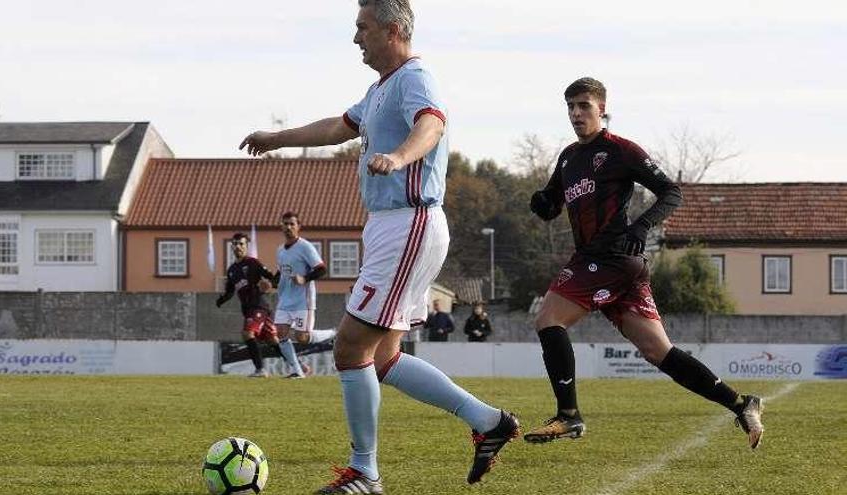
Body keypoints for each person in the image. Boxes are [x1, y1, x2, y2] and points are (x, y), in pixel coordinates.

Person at [239, 1, 518, 491]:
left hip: (408, 222)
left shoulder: (415, 77)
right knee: (383, 359)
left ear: (392, 30)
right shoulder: (379, 90)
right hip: (396, 225)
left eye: (362, 28)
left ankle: (364, 472)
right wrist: (278, 137)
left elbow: (432, 124)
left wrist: (399, 156)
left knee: (350, 347)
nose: (355, 39)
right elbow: (337, 127)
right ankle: (488, 421)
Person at [524, 77, 764, 449]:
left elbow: (672, 191)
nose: (575, 113)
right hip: (614, 266)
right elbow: (553, 203)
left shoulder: (620, 150)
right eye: (569, 106)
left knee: (548, 319)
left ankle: (569, 416)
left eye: (583, 105)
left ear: (602, 109)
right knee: (658, 352)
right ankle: (741, 404)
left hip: (610, 259)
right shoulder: (569, 157)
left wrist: (642, 225)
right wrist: (542, 204)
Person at [272, 211, 336, 378]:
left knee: (302, 337)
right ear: (281, 226)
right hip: (284, 300)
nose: (288, 227)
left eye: (292, 224)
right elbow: (281, 273)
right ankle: (297, 371)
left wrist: (305, 278)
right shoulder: (280, 250)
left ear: (298, 227)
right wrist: (271, 283)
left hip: (303, 301)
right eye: (285, 224)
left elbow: (322, 269)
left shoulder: (305, 247)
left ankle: (333, 333)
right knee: (281, 334)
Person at [216, 233, 280, 378]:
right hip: (249, 309)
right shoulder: (232, 270)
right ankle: (299, 366)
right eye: (235, 244)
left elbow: (272, 277)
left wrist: (271, 284)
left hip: (258, 306)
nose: (238, 247)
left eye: (241, 244)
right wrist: (222, 300)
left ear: (246, 246)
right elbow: (230, 291)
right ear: (232, 247)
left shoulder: (253, 263)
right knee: (272, 340)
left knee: (248, 333)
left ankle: (260, 370)